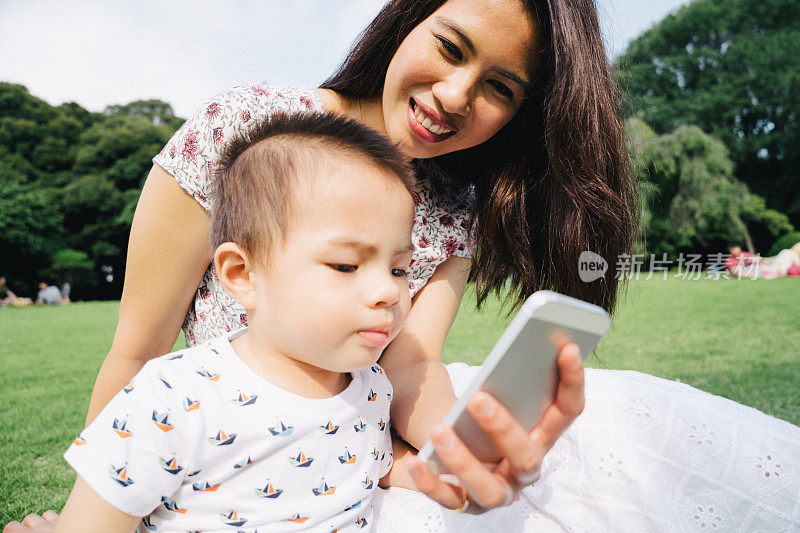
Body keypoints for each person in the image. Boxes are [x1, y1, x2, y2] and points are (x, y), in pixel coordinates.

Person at [7, 0, 800, 530]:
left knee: (619, 441)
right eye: (450, 48)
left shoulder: (453, 202)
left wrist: (461, 446)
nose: (455, 95)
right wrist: (100, 507)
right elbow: (139, 350)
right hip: (226, 445)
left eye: (498, 88)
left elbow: (414, 370)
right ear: (408, 19)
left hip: (358, 443)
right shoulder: (245, 130)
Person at [53, 113, 415, 532]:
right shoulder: (176, 396)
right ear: (243, 275)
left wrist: (445, 478)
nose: (389, 292)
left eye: (400, 270)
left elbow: (369, 464)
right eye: (346, 265)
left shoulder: (370, 385)